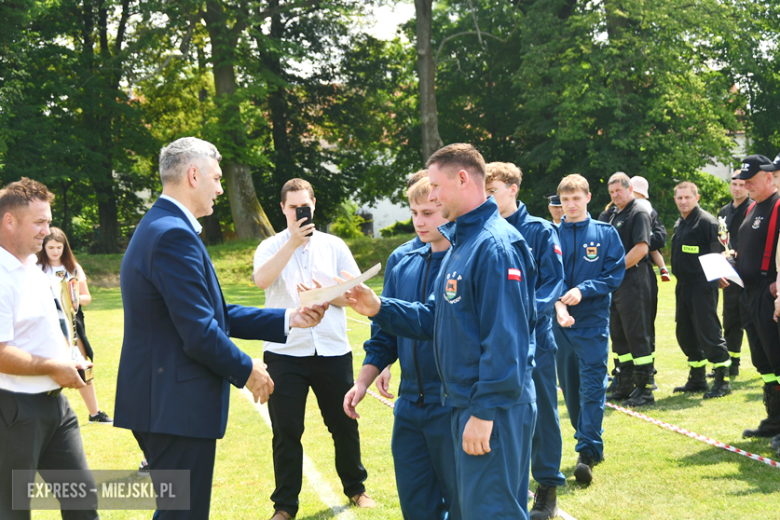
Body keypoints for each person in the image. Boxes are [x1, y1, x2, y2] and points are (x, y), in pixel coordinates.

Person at [114, 137, 327, 520]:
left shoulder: (166, 226)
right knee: (183, 514)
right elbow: (198, 329)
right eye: (215, 178)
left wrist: (288, 317)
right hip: (171, 404)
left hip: (163, 401)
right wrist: (247, 369)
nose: (220, 188)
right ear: (192, 175)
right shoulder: (172, 234)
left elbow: (214, 311)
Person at [343, 143, 538, 520]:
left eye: (435, 186)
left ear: (462, 179)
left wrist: (483, 413)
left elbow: (506, 340)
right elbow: (437, 318)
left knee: (491, 513)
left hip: (491, 409)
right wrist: (379, 307)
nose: (430, 193)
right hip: (463, 405)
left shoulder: (495, 245)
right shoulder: (461, 244)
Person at [253, 178, 373, 520]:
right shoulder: (270, 246)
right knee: (287, 429)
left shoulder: (334, 246)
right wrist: (291, 243)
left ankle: (356, 489)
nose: (298, 212)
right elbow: (261, 281)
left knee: (344, 423)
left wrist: (324, 294)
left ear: (314, 204)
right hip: (285, 351)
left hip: (332, 349)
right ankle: (285, 506)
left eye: (304, 206)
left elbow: (352, 294)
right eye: (292, 207)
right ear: (282, 208)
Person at [344, 175, 458, 520]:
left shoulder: (466, 260)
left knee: (465, 505)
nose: (419, 221)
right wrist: (362, 381)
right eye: (414, 213)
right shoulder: (402, 260)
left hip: (452, 405)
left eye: (428, 212)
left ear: (449, 211)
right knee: (416, 507)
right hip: (409, 407)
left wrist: (381, 307)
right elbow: (385, 334)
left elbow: (435, 322)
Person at [0, 177, 98, 519]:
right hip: (14, 413)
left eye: (49, 220)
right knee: (12, 511)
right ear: (9, 221)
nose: (48, 230)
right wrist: (51, 367)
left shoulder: (34, 266)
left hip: (57, 408)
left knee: (82, 502)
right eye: (39, 222)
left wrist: (70, 357)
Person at [484, 162, 564, 518]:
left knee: (543, 414)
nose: (487, 199)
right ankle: (506, 483)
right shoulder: (481, 233)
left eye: (493, 192)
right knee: (498, 411)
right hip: (495, 343)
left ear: (513, 189)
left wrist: (526, 312)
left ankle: (546, 485)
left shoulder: (539, 231)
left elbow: (553, 281)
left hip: (536, 340)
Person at [553, 174, 625, 486]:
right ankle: (589, 440)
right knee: (570, 390)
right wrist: (559, 305)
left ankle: (587, 452)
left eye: (575, 199)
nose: (570, 205)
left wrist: (584, 290)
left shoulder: (605, 233)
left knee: (593, 388)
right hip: (560, 326)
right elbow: (544, 276)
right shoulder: (549, 235)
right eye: (564, 200)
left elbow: (615, 272)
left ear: (588, 198)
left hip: (593, 323)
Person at [36, 227, 112, 424]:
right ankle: (44, 415)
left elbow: (86, 297)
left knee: (83, 363)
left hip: (74, 322)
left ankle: (95, 413)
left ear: (65, 247)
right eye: (50, 247)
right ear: (43, 247)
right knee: (49, 363)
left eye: (58, 247)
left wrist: (75, 298)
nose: (54, 251)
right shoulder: (36, 267)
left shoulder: (73, 268)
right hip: (47, 322)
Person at [731, 154, 780, 440]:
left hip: (767, 292)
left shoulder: (777, 206)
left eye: (750, 180)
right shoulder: (752, 209)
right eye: (743, 180)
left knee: (777, 358)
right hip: (747, 293)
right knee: (763, 360)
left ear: (769, 178)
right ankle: (774, 419)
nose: (745, 184)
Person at [669, 181, 732, 398]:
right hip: (683, 286)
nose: (683, 201)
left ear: (697, 198)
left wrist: (719, 275)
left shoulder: (707, 222)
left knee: (708, 331)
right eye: (679, 198)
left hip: (702, 284)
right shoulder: (681, 222)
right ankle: (697, 379)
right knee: (685, 332)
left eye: (687, 197)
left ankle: (722, 380)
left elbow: (720, 251)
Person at [604, 172, 657, 407]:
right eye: (612, 192)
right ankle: (624, 383)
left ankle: (644, 388)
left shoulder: (638, 213)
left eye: (619, 190)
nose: (616, 195)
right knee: (619, 334)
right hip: (616, 283)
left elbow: (642, 248)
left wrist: (615, 269)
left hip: (634, 279)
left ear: (630, 190)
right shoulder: (613, 214)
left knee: (637, 334)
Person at [716, 171, 751, 378]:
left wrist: (738, 250)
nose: (737, 188)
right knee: (730, 318)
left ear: (747, 186)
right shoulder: (724, 211)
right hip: (730, 271)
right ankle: (732, 362)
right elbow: (721, 239)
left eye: (741, 184)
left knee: (754, 320)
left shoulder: (753, 209)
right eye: (734, 184)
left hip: (750, 271)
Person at [630, 176, 670, 282]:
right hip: (651, 233)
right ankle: (663, 269)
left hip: (641, 233)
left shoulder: (634, 204)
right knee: (655, 251)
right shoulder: (648, 204)